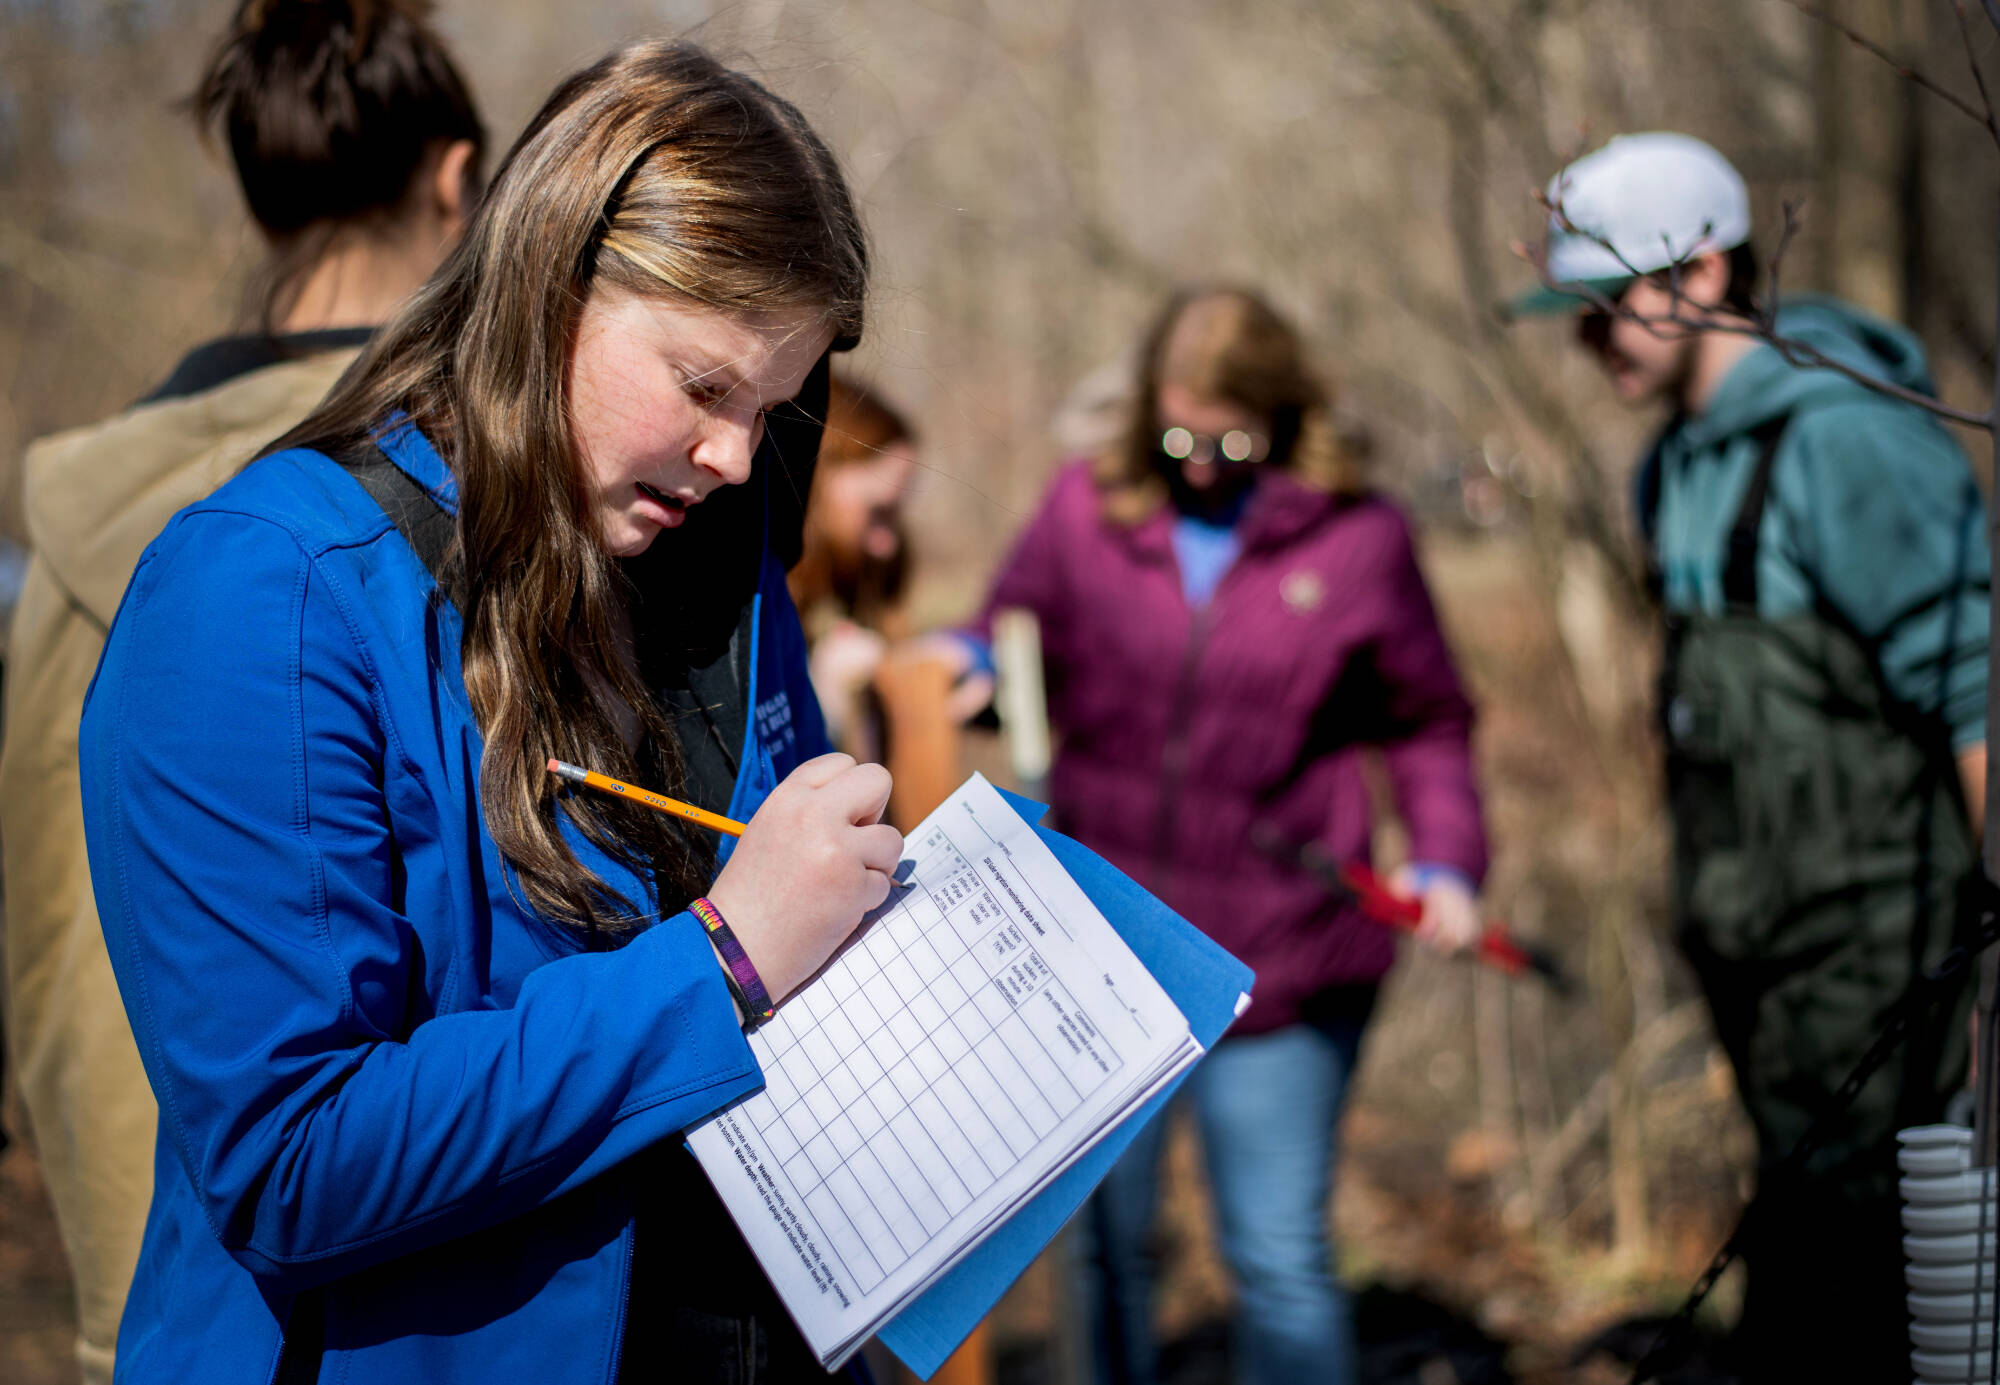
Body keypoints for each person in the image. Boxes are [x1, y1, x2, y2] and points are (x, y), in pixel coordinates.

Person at [76, 37, 898, 1384]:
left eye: (772, 403)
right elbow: (291, 1161)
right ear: (545, 286)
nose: (735, 454)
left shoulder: (714, 556)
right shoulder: (266, 597)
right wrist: (725, 964)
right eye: (702, 387)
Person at [0, 4, 482, 1379]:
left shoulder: (74, 528)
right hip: (395, 1287)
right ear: (457, 182)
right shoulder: (427, 524)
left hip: (139, 1283)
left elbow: (32, 906)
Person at [943, 287, 1490, 1385]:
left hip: (1285, 955)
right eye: (1178, 432)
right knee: (1103, 1249)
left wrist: (1443, 857)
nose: (1199, 461)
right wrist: (969, 662)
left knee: (1277, 1254)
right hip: (1106, 952)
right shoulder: (1083, 511)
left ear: (1281, 414)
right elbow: (1004, 622)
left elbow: (1426, 717)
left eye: (1229, 437)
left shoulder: (1357, 539)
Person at [1508, 131, 1989, 1380]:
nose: (1591, 339)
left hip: (1886, 956)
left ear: (1707, 273)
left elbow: (1976, 691)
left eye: (1608, 306)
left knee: (1893, 1285)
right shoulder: (1670, 461)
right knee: (1806, 1264)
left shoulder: (1849, 440)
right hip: (1751, 949)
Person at [788, 374, 919, 762]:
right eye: (878, 512)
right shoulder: (760, 604)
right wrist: (824, 700)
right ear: (820, 477)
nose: (886, 545)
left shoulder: (866, 583)